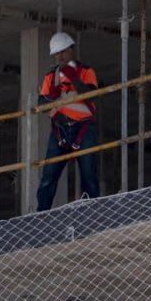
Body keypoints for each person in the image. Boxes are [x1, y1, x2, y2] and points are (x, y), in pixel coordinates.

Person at [35, 31, 100, 209]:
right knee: (48, 179)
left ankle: (94, 216)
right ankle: (39, 219)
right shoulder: (51, 76)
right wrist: (51, 98)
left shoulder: (86, 71)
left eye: (63, 51)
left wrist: (74, 79)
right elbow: (41, 105)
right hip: (60, 131)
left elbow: (92, 96)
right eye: (56, 53)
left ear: (72, 49)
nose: (60, 56)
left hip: (83, 129)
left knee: (89, 177)